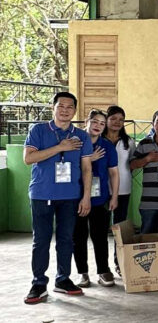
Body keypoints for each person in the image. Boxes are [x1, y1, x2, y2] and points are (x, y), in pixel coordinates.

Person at [23, 92, 93, 304]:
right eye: (60, 106)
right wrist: (60, 147)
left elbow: (87, 168)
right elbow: (28, 158)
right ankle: (38, 283)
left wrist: (86, 197)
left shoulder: (81, 136)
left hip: (70, 196)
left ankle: (63, 279)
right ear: (52, 108)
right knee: (41, 240)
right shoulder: (38, 130)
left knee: (66, 240)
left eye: (70, 107)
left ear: (75, 111)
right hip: (42, 194)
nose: (65, 110)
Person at [74, 109, 119, 288]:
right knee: (78, 236)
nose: (98, 126)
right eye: (95, 122)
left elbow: (114, 173)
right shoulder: (76, 142)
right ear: (87, 121)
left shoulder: (107, 146)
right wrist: (88, 159)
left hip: (100, 199)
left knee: (100, 237)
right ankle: (82, 272)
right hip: (76, 197)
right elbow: (66, 166)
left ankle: (103, 270)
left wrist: (114, 196)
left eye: (102, 123)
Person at [103, 105, 135, 276]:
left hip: (123, 189)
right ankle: (103, 267)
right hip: (101, 190)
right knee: (101, 228)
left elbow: (132, 163)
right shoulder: (98, 139)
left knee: (119, 228)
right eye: (113, 118)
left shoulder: (128, 142)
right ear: (106, 120)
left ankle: (119, 263)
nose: (117, 122)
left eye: (121, 120)